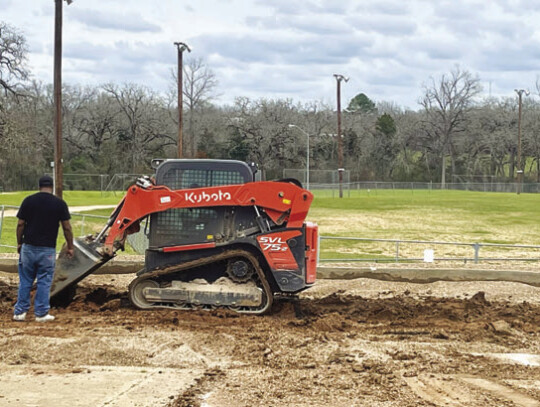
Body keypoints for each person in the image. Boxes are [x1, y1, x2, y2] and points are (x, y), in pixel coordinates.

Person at [13, 175, 74, 322]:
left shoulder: (28, 201)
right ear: (52, 187)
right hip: (47, 250)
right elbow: (67, 227)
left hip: (28, 247)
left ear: (39, 186)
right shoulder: (59, 204)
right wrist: (70, 246)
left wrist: (19, 242)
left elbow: (21, 224)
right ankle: (41, 313)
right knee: (44, 281)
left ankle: (20, 312)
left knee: (25, 280)